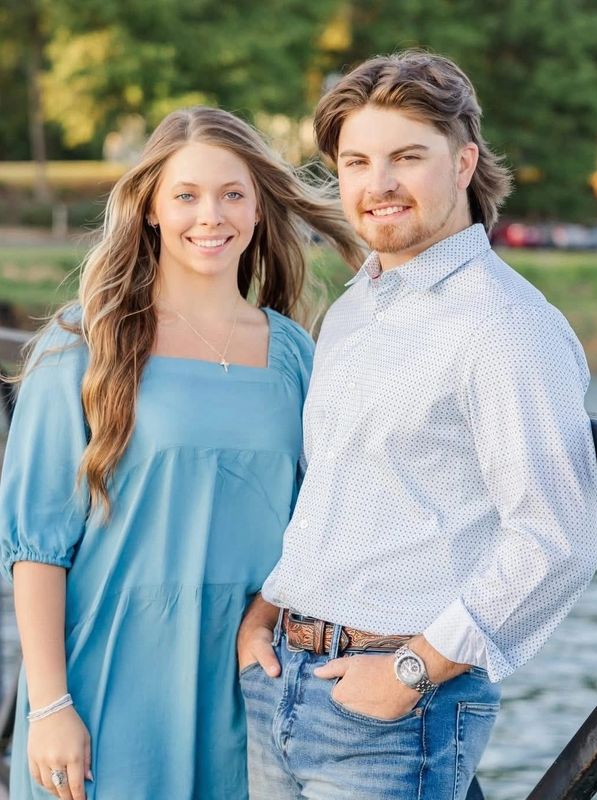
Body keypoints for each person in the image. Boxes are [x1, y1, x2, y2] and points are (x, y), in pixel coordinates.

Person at [237, 51, 597, 800]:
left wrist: (411, 673)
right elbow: (336, 490)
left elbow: (557, 538)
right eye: (357, 161)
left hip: (395, 715)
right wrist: (269, 610)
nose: (379, 185)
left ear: (462, 160)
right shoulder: (353, 308)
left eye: (407, 156)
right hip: (282, 684)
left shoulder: (505, 327)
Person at [0, 106, 362, 800]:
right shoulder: (83, 347)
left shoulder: (293, 356)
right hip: (109, 678)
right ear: (151, 211)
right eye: (187, 195)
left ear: (258, 208)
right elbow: (37, 548)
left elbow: (321, 519)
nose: (211, 215)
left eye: (232, 194)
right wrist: (48, 707)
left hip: (250, 684)